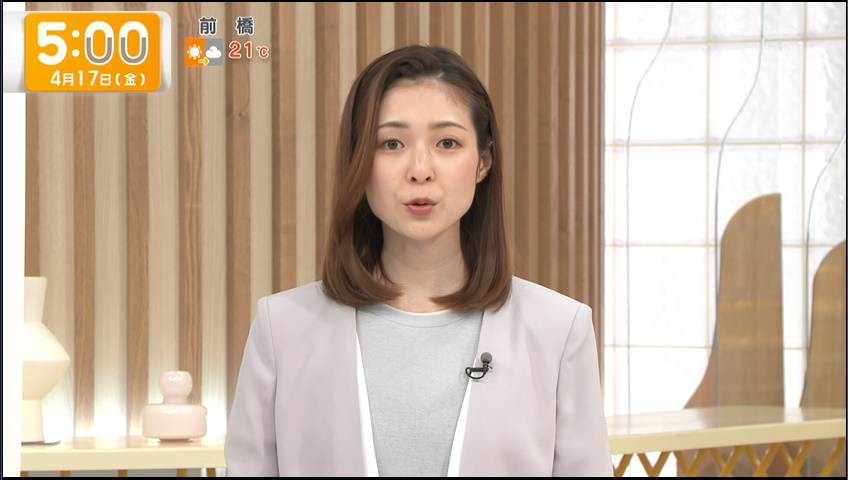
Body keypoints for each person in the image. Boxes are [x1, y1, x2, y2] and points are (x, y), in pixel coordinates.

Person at [224, 44, 613, 477]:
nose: (420, 169)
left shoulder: (559, 330)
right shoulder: (281, 329)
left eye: (447, 142)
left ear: (483, 162)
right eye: (392, 143)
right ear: (359, 161)